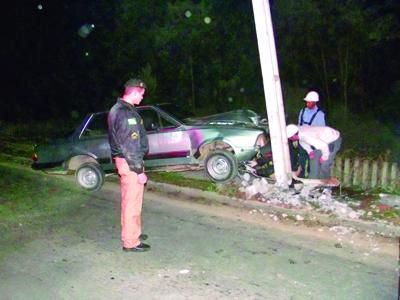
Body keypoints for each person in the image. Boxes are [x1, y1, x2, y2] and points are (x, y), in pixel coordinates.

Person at [107, 78, 150, 252]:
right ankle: (130, 242)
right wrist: (139, 170)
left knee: (131, 201)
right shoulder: (125, 113)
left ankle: (133, 232)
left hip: (127, 161)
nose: (142, 98)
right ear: (133, 92)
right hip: (130, 162)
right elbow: (129, 145)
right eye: (141, 94)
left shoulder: (119, 109)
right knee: (132, 203)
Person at [295, 91, 326, 177]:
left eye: (309, 102)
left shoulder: (319, 114)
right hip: (302, 141)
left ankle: (311, 180)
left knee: (312, 164)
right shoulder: (303, 111)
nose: (307, 104)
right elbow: (299, 125)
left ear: (315, 102)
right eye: (307, 102)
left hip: (313, 143)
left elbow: (321, 130)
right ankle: (300, 179)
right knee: (301, 162)